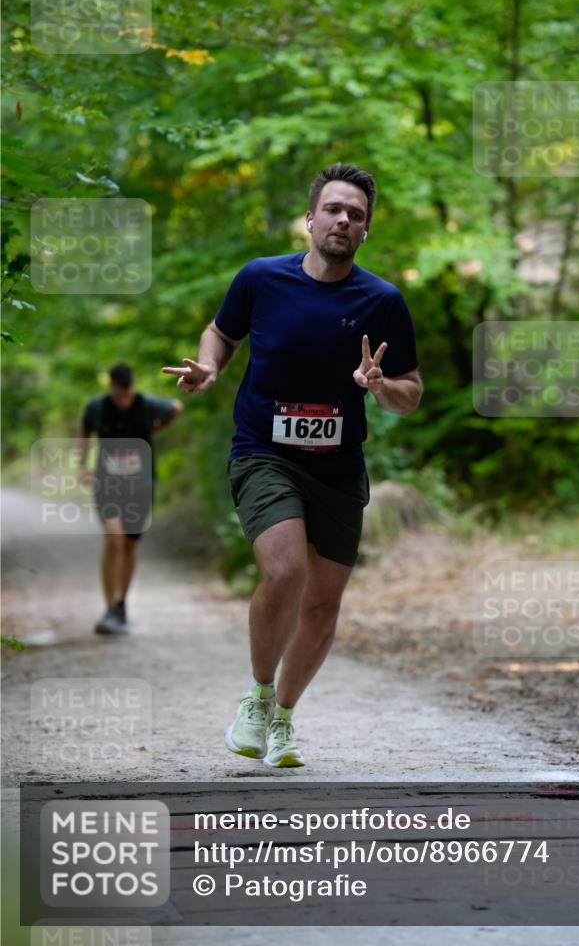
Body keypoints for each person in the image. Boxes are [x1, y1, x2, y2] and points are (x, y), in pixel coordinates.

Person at [163, 162, 422, 767]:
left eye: (355, 215)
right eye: (333, 209)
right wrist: (209, 366)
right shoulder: (261, 280)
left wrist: (380, 387)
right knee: (284, 572)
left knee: (323, 605)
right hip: (264, 451)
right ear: (310, 218)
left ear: (366, 232)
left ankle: (283, 715)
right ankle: (255, 698)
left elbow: (411, 393)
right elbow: (221, 334)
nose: (343, 220)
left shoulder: (383, 301)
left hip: (337, 466)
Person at [79, 363, 183, 635]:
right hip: (107, 484)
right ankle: (110, 607)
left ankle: (122, 604)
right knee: (113, 541)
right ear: (111, 386)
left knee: (128, 545)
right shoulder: (98, 408)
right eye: (119, 392)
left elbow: (176, 406)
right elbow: (85, 430)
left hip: (141, 485)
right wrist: (81, 465)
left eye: (127, 392)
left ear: (132, 386)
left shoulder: (147, 405)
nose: (124, 397)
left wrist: (155, 430)